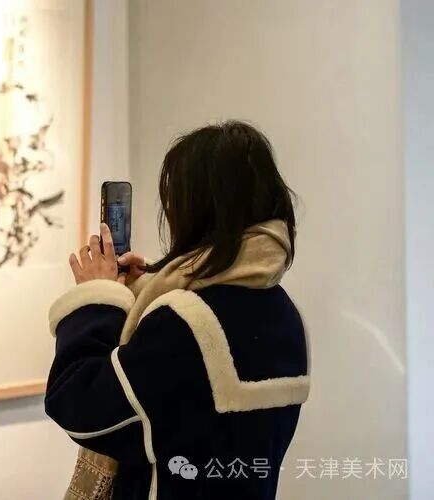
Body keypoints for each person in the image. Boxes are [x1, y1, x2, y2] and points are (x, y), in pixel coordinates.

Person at [45, 121, 310, 500]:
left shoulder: (188, 322)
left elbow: (81, 406)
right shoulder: (285, 313)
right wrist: (147, 290)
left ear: (198, 208)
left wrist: (95, 299)